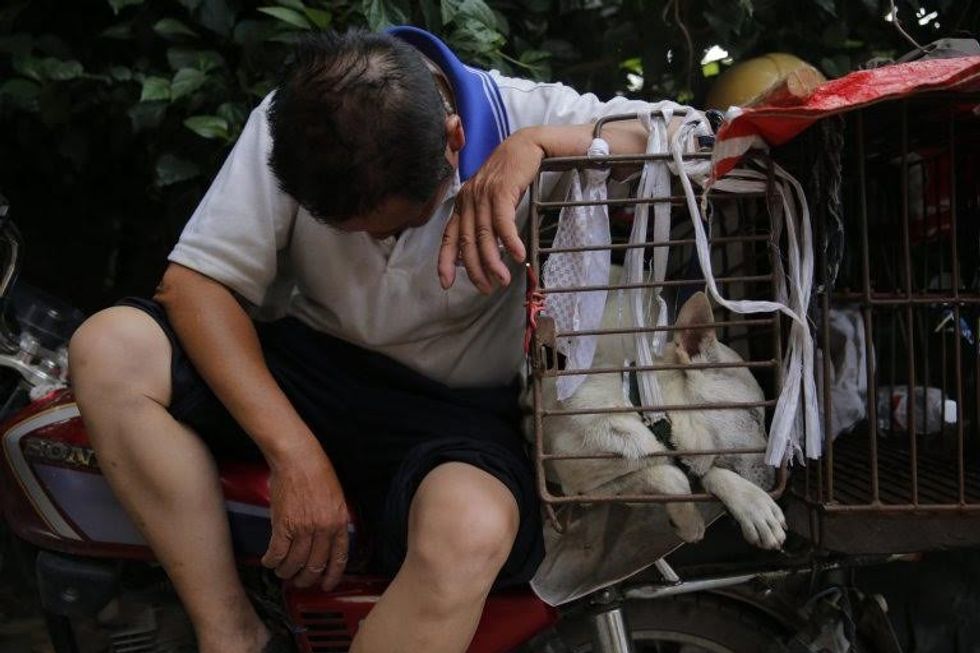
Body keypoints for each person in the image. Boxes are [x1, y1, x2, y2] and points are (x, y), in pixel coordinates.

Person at [68, 26, 683, 653]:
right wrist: (295, 455)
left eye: (394, 226)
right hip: (305, 368)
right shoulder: (302, 117)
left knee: (470, 529)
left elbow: (715, 137)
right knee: (110, 347)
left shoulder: (527, 112)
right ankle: (230, 633)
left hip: (452, 413)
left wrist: (543, 145)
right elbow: (195, 285)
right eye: (347, 230)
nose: (372, 245)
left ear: (454, 140)